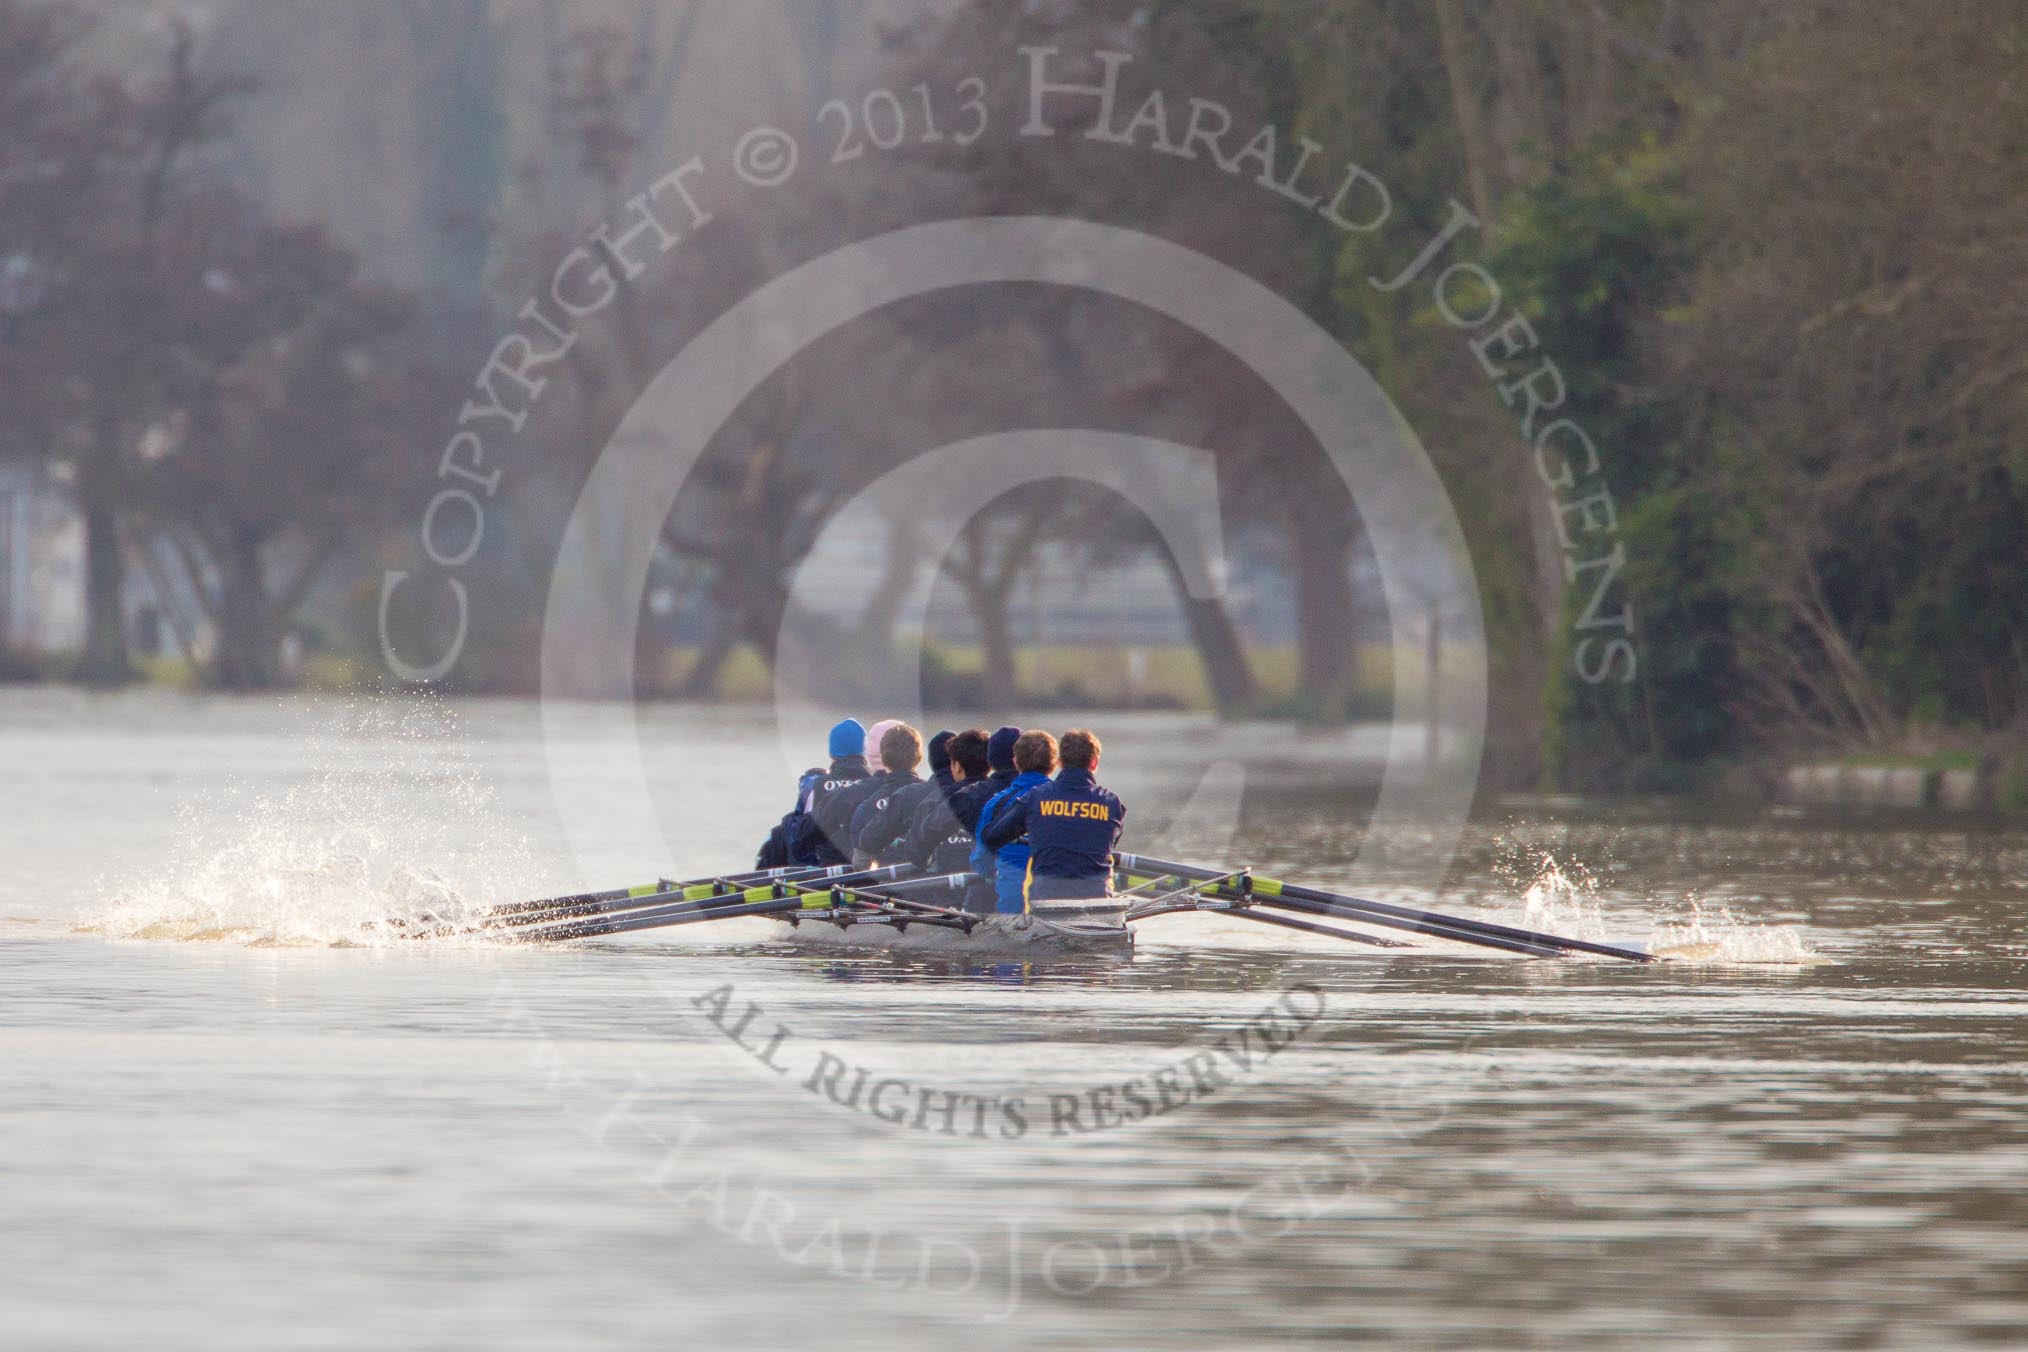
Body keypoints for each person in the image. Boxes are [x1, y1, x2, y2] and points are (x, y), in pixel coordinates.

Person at [981, 729, 1125, 912]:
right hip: (1098, 902)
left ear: (1059, 762)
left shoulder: (1035, 798)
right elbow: (1109, 842)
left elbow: (990, 838)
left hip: (1047, 904)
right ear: (1094, 762)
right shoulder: (1113, 803)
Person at [971, 730, 1058, 915]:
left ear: (1016, 762)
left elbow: (981, 863)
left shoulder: (996, 804)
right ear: (1055, 763)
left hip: (1013, 910)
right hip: (1063, 908)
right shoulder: (1067, 804)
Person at [848, 723, 934, 867]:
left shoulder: (866, 806)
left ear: (883, 757)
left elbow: (860, 862)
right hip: (932, 879)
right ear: (919, 756)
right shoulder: (934, 795)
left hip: (887, 883)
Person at [789, 718, 872, 866]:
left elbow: (802, 835)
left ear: (832, 754)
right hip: (869, 866)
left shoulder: (817, 785)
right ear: (864, 751)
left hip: (827, 868)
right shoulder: (877, 783)